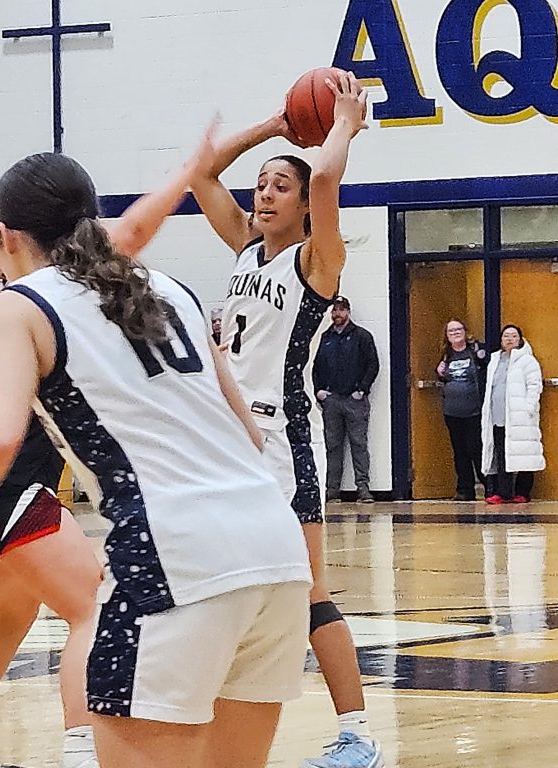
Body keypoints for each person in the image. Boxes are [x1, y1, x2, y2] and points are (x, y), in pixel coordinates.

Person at [0, 146, 313, 768]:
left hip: (176, 556)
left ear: (4, 235)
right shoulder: (170, 290)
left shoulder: (17, 305)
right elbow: (249, 432)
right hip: (276, 552)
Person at [190, 75, 383, 767]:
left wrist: (343, 124)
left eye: (280, 186)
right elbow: (202, 172)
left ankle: (357, 735)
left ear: (303, 206)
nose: (264, 194)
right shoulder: (247, 248)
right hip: (229, 441)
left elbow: (326, 178)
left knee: (309, 594)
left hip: (283, 442)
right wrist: (275, 125)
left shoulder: (317, 262)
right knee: (220, 580)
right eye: (261, 185)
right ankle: (209, 714)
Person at [313, 296, 379, 504]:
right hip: (331, 401)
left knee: (359, 444)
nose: (337, 314)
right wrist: (318, 390)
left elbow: (373, 365)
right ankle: (332, 490)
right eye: (334, 310)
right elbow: (314, 367)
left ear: (348, 312)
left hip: (355, 401)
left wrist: (362, 389)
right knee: (332, 446)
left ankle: (363, 489)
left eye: (341, 310)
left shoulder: (362, 336)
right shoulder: (324, 338)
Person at [482, 324, 544, 504]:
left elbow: (534, 386)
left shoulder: (527, 361)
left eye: (514, 336)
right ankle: (504, 492)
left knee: (524, 452)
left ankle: (523, 492)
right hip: (499, 416)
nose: (509, 339)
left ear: (520, 339)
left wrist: (528, 407)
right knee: (502, 454)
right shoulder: (495, 360)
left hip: (520, 416)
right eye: (506, 336)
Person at [437, 319, 488, 501]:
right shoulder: (446, 355)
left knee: (476, 449)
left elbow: (484, 372)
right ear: (447, 336)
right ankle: (465, 489)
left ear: (465, 332)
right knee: (460, 451)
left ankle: (489, 485)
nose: (455, 333)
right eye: (451, 331)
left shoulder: (475, 351)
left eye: (459, 329)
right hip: (452, 411)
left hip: (474, 410)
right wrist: (439, 373)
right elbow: (445, 378)